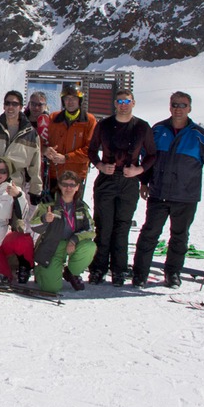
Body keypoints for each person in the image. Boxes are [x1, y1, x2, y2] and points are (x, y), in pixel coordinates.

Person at [133, 91, 204, 288]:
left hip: (186, 196)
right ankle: (140, 274)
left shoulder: (198, 135)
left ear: (189, 108)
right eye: (175, 104)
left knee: (179, 237)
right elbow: (146, 159)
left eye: (182, 105)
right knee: (149, 234)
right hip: (159, 193)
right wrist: (144, 182)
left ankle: (173, 274)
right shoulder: (157, 130)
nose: (178, 109)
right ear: (169, 107)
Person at [86, 88, 156, 286]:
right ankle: (98, 269)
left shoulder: (142, 127)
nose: (123, 105)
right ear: (114, 104)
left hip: (128, 182)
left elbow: (152, 154)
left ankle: (118, 270)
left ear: (133, 103)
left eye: (127, 102)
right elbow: (91, 150)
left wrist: (139, 170)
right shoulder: (104, 125)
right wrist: (99, 165)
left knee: (122, 227)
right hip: (106, 181)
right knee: (104, 226)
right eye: (119, 102)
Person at [30, 170, 96, 293]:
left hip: (72, 243)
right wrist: (45, 219)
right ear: (59, 186)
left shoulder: (81, 206)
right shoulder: (49, 204)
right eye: (65, 184)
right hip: (52, 245)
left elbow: (91, 230)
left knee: (89, 246)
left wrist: (75, 239)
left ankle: (71, 272)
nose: (68, 188)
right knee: (51, 288)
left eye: (72, 185)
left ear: (77, 187)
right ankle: (40, 271)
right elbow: (33, 225)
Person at [43, 85, 97, 192]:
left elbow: (90, 150)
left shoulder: (88, 121)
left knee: (73, 207)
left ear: (79, 100)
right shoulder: (54, 118)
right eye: (67, 99)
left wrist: (66, 158)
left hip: (76, 176)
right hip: (55, 173)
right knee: (53, 207)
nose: (70, 102)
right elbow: (41, 140)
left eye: (74, 98)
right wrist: (45, 150)